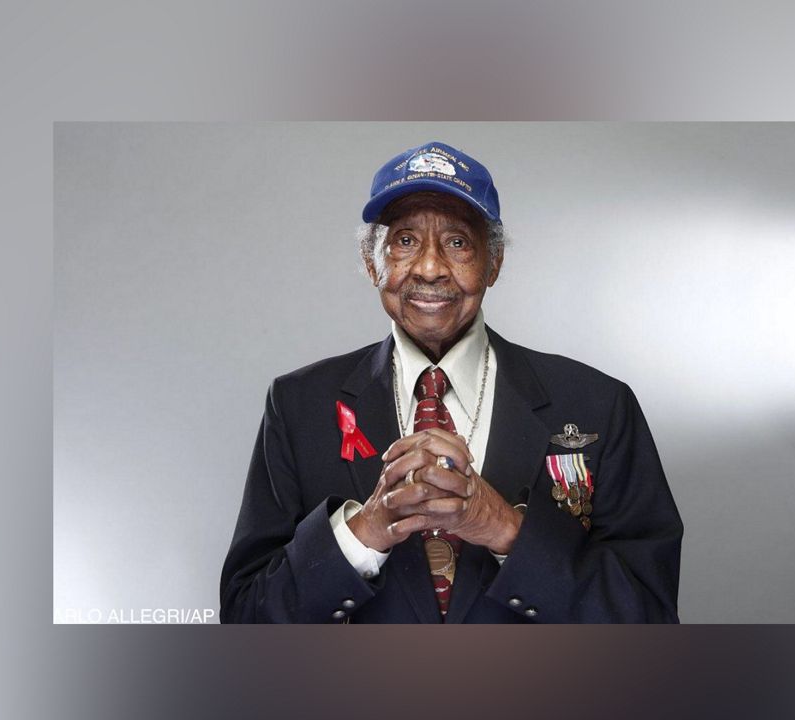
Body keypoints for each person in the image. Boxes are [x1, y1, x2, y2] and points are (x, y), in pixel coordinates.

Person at [219, 141, 683, 623]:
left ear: (493, 263)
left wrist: (503, 527)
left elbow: (647, 614)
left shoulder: (598, 404)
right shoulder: (298, 407)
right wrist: (366, 530)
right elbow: (246, 616)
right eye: (404, 241)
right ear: (372, 260)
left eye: (458, 242)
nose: (429, 267)